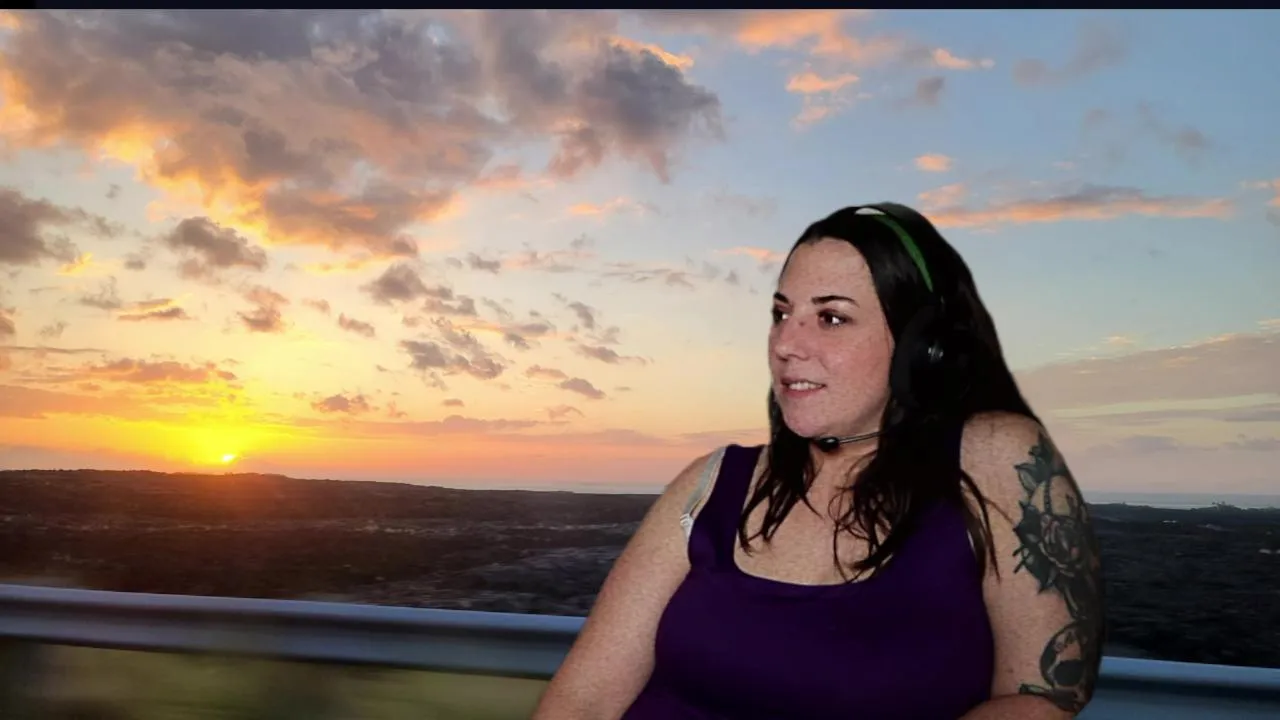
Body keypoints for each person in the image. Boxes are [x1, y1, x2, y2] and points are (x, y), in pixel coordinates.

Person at [532, 203, 1104, 719]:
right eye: (781, 314)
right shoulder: (712, 482)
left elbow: (1045, 694)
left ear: (924, 347)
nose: (785, 344)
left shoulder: (998, 455)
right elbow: (585, 698)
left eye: (831, 318)